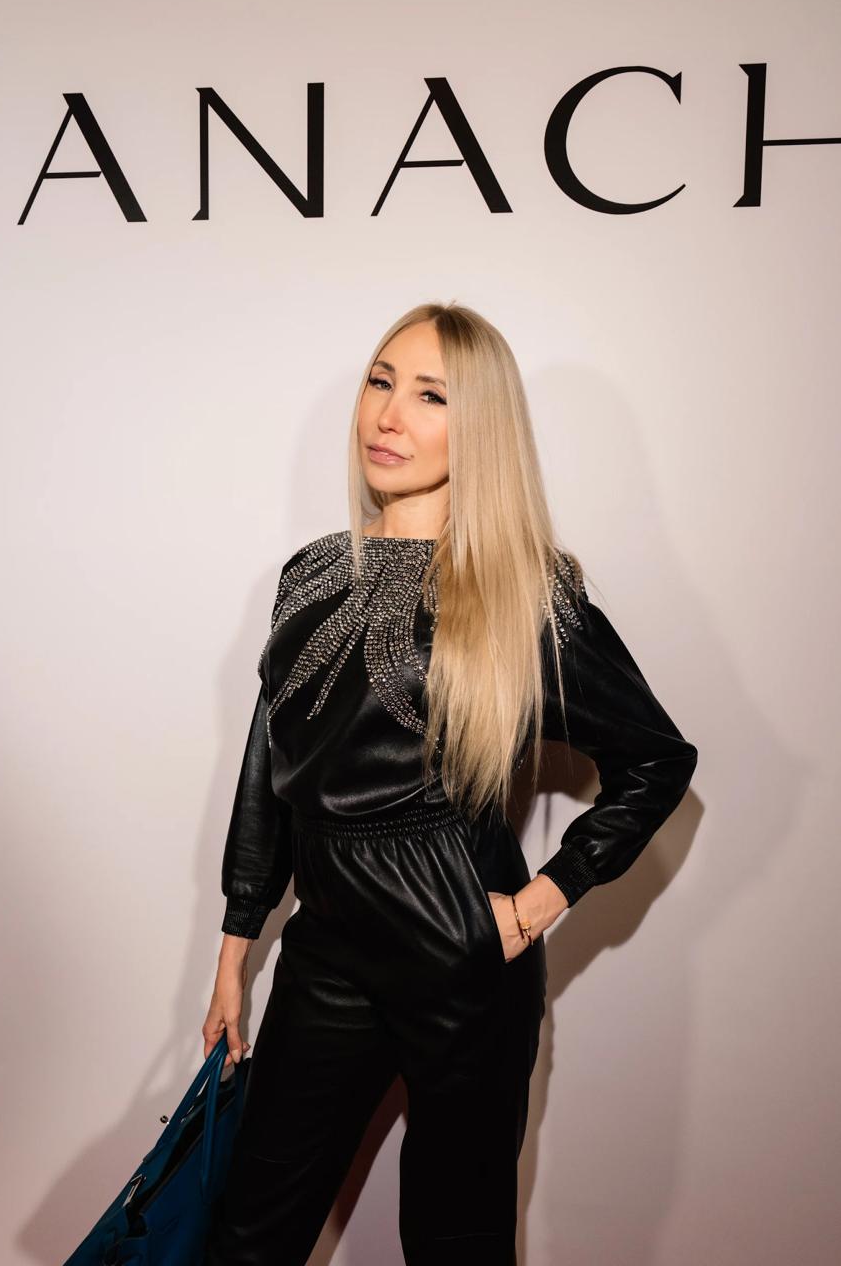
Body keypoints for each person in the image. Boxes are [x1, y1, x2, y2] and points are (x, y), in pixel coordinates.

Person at [201, 301, 698, 1266]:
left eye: (432, 396)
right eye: (381, 382)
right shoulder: (309, 573)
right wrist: (236, 944)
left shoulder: (524, 591)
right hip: (326, 953)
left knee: (455, 1244)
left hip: (460, 955)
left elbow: (657, 759)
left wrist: (539, 904)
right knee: (248, 1236)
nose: (390, 415)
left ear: (481, 427)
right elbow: (270, 765)